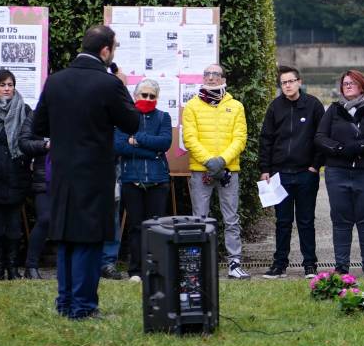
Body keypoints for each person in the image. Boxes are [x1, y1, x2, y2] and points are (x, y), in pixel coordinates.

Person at [32, 25, 140, 319]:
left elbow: (38, 127)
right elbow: (132, 123)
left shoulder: (55, 81)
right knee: (89, 240)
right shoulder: (108, 84)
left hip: (62, 170)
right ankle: (83, 306)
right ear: (105, 51)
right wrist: (122, 85)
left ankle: (65, 302)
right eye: (113, 49)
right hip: (94, 172)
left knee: (66, 236)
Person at [315, 70, 364, 276]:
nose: (347, 86)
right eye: (345, 83)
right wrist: (339, 149)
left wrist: (358, 147)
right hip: (338, 173)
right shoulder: (334, 110)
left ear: (362, 85)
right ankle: (341, 268)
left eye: (352, 83)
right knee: (341, 221)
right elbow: (320, 137)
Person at [182, 63, 250, 280]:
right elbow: (189, 138)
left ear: (223, 79)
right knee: (199, 218)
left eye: (215, 74)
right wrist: (209, 162)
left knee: (231, 218)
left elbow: (240, 138)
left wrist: (221, 161)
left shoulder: (236, 106)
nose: (211, 78)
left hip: (229, 170)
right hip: (200, 171)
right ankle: (197, 265)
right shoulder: (192, 106)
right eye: (207, 74)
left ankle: (234, 264)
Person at [258, 66, 325, 279]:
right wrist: (265, 170)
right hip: (279, 174)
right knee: (282, 221)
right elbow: (266, 139)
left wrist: (315, 165)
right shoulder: (275, 107)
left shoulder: (313, 105)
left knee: (306, 220)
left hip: (306, 173)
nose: (287, 85)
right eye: (283, 82)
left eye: (291, 81)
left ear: (299, 82)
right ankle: (279, 265)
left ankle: (309, 265)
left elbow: (322, 137)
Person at [114, 78, 173, 282]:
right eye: (144, 95)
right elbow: (119, 146)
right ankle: (136, 270)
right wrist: (151, 152)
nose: (147, 99)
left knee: (156, 227)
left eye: (152, 96)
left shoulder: (163, 117)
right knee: (136, 227)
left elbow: (164, 143)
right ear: (135, 96)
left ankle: (155, 269)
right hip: (132, 180)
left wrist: (137, 139)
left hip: (158, 180)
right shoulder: (125, 118)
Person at [0, 70, 33, 280]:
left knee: (14, 226)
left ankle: (13, 266)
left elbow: (29, 139)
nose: (7, 88)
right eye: (2, 85)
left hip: (16, 174)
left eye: (10, 84)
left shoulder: (24, 110)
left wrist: (25, 162)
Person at [19, 112, 50, 279]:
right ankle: (31, 266)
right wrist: (45, 145)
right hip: (44, 177)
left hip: (71, 177)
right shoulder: (37, 115)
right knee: (45, 218)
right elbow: (24, 142)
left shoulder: (76, 111)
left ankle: (70, 267)